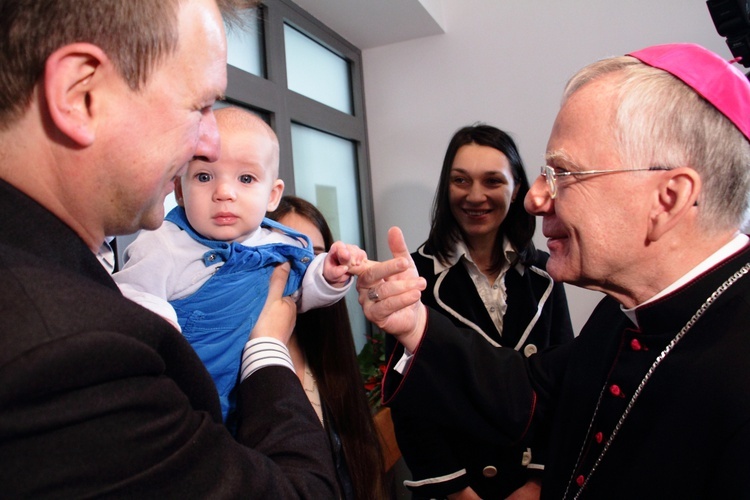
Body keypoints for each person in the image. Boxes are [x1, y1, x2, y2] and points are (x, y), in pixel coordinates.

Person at [356, 43, 750, 499]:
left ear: (668, 198)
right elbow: (529, 389)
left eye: (562, 173)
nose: (535, 199)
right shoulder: (623, 311)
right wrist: (417, 324)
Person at [0, 0, 338, 496]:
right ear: (81, 94)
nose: (209, 143)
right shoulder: (67, 355)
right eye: (200, 106)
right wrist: (267, 347)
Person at [115, 107, 365, 424]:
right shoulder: (165, 244)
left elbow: (302, 295)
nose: (224, 193)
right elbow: (130, 298)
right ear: (179, 190)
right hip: (185, 397)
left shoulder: (281, 245)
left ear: (272, 195)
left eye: (246, 178)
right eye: (204, 177)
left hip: (251, 397)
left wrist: (329, 277)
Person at [389, 124, 573, 499]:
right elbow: (411, 401)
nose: (475, 196)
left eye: (492, 181)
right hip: (456, 485)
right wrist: (456, 490)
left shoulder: (546, 273)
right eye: (461, 181)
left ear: (516, 188)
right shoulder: (414, 274)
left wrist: (537, 482)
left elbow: (562, 382)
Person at [268, 195, 388, 500]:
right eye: (283, 252)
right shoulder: (235, 362)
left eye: (316, 256)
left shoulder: (329, 360)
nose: (301, 266)